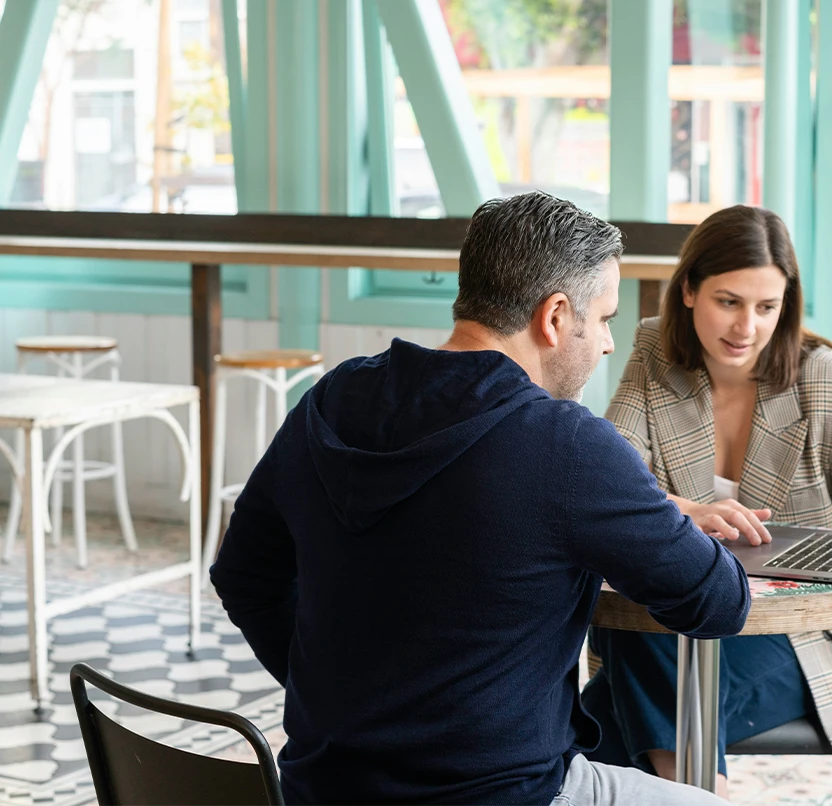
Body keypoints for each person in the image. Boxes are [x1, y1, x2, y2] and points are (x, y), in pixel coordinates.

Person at [210, 192, 751, 806]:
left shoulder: (330, 400)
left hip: (324, 790)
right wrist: (657, 511)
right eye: (603, 318)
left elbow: (242, 575)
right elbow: (718, 603)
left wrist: (345, 705)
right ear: (553, 317)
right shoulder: (566, 445)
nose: (606, 344)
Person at [582, 205, 832, 803]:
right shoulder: (655, 350)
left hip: (804, 638)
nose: (747, 327)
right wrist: (683, 509)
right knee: (647, 644)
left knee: (590, 718)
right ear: (688, 290)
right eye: (730, 301)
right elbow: (612, 481)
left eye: (768, 307)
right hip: (683, 619)